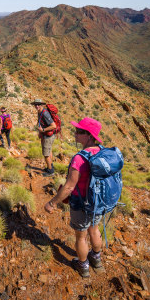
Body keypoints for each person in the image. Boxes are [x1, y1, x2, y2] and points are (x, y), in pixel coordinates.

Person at [44, 117, 105, 278]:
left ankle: (83, 266)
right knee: (95, 229)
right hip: (99, 201)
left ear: (90, 136)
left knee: (81, 236)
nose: (75, 133)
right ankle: (96, 260)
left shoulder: (79, 158)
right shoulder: (103, 152)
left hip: (81, 202)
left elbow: (70, 186)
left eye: (79, 131)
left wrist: (52, 203)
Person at [31, 99, 56, 176]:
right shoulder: (40, 112)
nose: (37, 106)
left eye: (38, 104)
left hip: (48, 136)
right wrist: (40, 132)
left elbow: (53, 126)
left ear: (41, 105)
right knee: (49, 150)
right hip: (47, 135)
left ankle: (50, 172)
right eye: (36, 105)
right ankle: (50, 166)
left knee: (46, 154)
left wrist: (43, 130)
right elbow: (40, 124)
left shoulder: (45, 114)